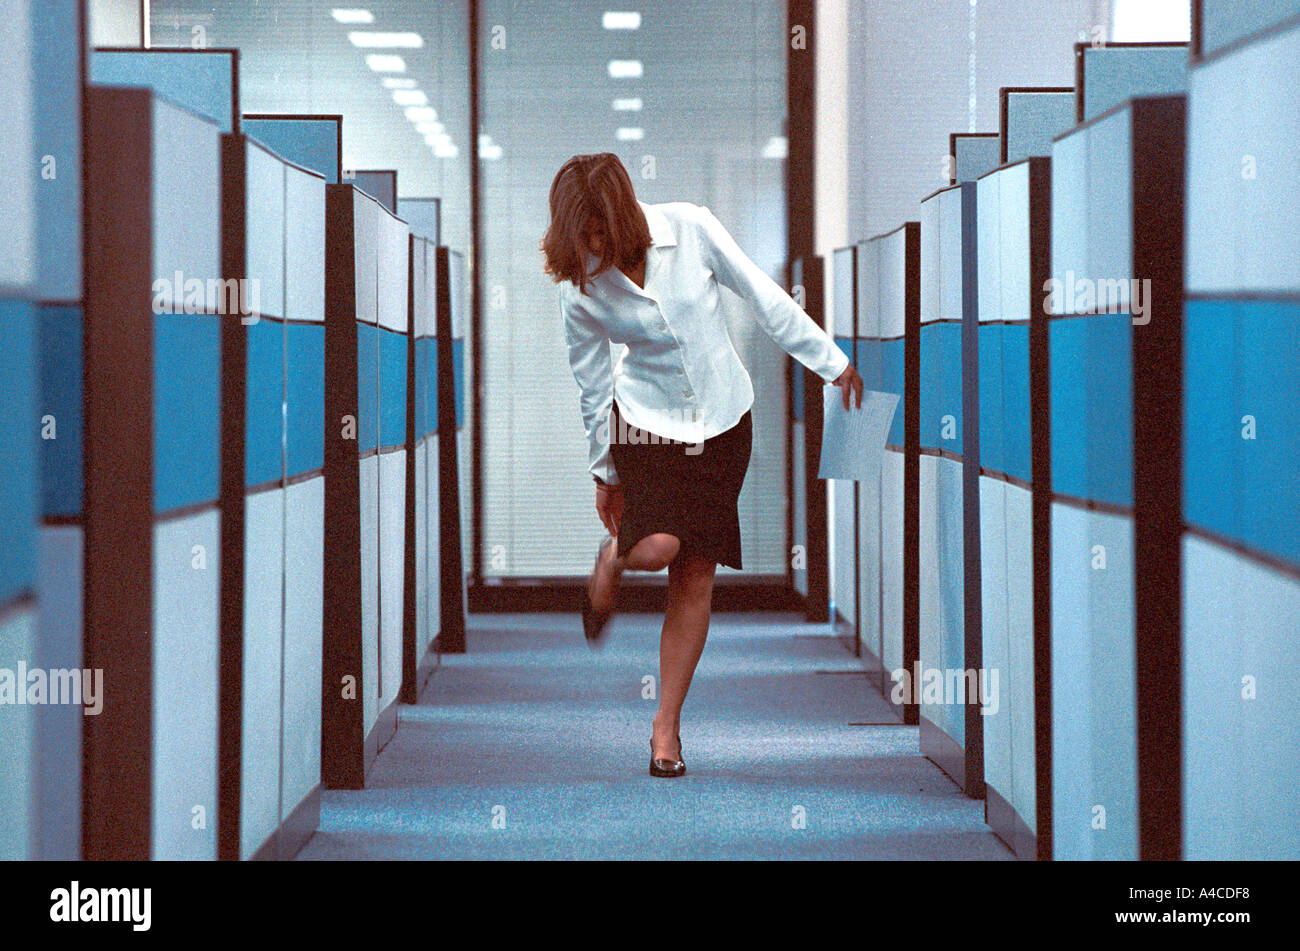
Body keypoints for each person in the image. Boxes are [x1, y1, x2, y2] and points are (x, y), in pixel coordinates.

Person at [542, 152, 863, 778]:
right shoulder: (578, 286)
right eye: (583, 237)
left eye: (602, 231)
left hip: (722, 423)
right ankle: (614, 558)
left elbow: (765, 298)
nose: (595, 247)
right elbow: (590, 383)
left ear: (623, 213)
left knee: (694, 576)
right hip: (647, 425)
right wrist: (603, 471)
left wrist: (832, 361)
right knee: (657, 546)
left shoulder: (690, 228)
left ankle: (666, 730)